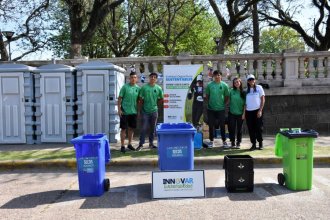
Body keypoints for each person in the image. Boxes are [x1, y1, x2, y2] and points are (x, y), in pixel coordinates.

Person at [136, 72, 164, 151]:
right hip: (145, 111)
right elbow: (140, 100)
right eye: (151, 77)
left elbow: (161, 99)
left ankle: (151, 144)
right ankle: (141, 144)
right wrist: (139, 111)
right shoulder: (144, 88)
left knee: (153, 128)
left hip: (154, 111)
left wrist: (156, 106)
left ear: (156, 79)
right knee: (144, 128)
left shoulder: (158, 88)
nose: (153, 78)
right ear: (149, 78)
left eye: (154, 77)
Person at [205, 70, 230, 148]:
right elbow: (207, 96)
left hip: (221, 109)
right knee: (211, 125)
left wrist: (223, 104)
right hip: (211, 109)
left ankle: (224, 141)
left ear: (221, 76)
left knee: (222, 125)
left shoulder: (225, 85)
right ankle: (211, 141)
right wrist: (209, 104)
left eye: (219, 75)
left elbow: (227, 97)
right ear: (213, 76)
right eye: (215, 75)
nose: (217, 76)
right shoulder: (209, 85)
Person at [118, 71, 141, 153]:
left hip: (133, 112)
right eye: (132, 77)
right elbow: (119, 99)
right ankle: (122, 145)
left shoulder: (138, 88)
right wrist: (119, 110)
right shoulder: (125, 87)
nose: (133, 79)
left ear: (136, 78)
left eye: (135, 77)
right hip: (124, 112)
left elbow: (139, 101)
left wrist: (138, 111)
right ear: (129, 78)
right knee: (123, 129)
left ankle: (130, 144)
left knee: (131, 129)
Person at [245, 74, 265, 151]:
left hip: (257, 110)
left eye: (252, 79)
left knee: (259, 128)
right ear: (248, 81)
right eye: (249, 80)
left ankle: (260, 143)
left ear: (254, 80)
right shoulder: (246, 90)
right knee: (251, 128)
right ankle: (253, 144)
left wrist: (260, 110)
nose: (251, 81)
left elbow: (263, 99)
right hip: (248, 112)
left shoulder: (259, 88)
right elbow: (245, 103)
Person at [228, 77, 245, 149]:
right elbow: (227, 100)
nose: (236, 83)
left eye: (237, 82)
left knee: (239, 129)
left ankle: (238, 142)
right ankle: (232, 142)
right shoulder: (231, 91)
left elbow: (245, 104)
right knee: (232, 128)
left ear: (240, 83)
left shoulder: (244, 92)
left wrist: (244, 114)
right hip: (232, 113)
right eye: (235, 82)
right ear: (233, 84)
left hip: (240, 114)